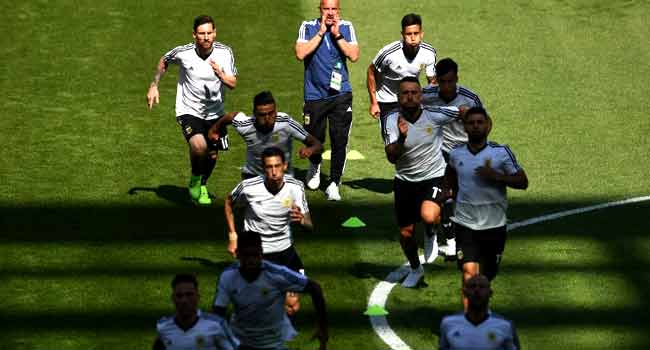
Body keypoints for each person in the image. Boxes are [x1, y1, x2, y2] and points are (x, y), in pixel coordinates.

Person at [146, 15, 237, 205]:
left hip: (215, 114)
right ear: (194, 35)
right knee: (199, 146)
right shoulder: (184, 53)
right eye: (201, 33)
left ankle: (202, 184)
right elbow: (164, 60)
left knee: (212, 154)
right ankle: (196, 179)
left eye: (209, 33)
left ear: (215, 33)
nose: (206, 37)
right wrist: (154, 85)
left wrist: (220, 74)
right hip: (189, 111)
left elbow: (233, 83)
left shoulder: (225, 53)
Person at [384, 77, 463, 288]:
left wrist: (476, 137)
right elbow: (391, 157)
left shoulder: (434, 114)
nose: (409, 96)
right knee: (405, 233)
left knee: (429, 215)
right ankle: (415, 269)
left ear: (421, 96)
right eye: (405, 93)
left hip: (433, 176)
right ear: (398, 97)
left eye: (414, 92)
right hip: (404, 181)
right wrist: (401, 138)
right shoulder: (391, 119)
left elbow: (464, 112)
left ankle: (431, 232)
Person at [444, 107, 528, 300]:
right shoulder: (456, 153)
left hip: (494, 226)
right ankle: (469, 323)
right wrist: (446, 192)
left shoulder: (501, 153)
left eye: (480, 122)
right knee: (469, 275)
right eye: (471, 123)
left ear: (488, 126)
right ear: (465, 127)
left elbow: (523, 182)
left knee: (485, 279)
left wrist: (497, 176)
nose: (475, 126)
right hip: (466, 224)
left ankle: (480, 312)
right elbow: (450, 175)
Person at [224, 147, 313, 315]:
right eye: (269, 167)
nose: (274, 172)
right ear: (263, 168)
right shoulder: (248, 187)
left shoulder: (295, 187)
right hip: (257, 254)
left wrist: (301, 220)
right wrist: (232, 235)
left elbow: (310, 225)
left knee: (292, 304)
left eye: (277, 166)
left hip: (285, 252)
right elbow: (229, 203)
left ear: (285, 166)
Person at [213, 231, 328, 350]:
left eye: (255, 255)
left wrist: (322, 328)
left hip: (271, 345)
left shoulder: (277, 274)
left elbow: (314, 288)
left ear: (261, 254)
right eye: (247, 255)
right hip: (240, 343)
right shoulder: (228, 277)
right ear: (238, 255)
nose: (251, 260)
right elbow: (218, 312)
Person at [295, 0, 360, 201]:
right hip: (314, 95)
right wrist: (322, 32)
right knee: (315, 137)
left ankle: (334, 183)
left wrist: (336, 34)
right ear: (320, 10)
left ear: (338, 10)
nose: (330, 13)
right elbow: (300, 53)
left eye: (334, 9)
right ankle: (315, 166)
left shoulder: (346, 27)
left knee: (339, 139)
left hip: (341, 95)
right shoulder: (308, 27)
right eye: (326, 9)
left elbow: (354, 55)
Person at [422, 58, 485, 258]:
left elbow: (484, 125)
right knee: (445, 194)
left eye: (451, 81)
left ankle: (466, 235)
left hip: (465, 152)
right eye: (443, 82)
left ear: (457, 78)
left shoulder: (470, 99)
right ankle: (450, 240)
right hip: (439, 151)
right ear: (437, 81)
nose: (447, 86)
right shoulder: (426, 95)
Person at [207, 91, 322, 179]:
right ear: (254, 113)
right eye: (262, 114)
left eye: (271, 113)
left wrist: (310, 150)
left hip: (281, 177)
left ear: (276, 111)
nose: (267, 118)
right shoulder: (245, 125)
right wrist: (215, 128)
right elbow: (232, 116)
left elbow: (318, 145)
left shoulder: (286, 123)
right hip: (253, 176)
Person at [367, 13, 437, 140]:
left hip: (411, 99)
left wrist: (433, 101)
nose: (413, 38)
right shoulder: (389, 53)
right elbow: (371, 72)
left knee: (415, 139)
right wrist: (374, 102)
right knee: (392, 143)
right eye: (409, 34)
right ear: (402, 35)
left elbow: (431, 80)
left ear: (422, 34)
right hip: (387, 102)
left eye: (416, 33)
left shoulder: (429, 53)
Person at [154, 273, 239, 350]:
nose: (184, 300)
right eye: (179, 296)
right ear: (173, 299)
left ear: (198, 297)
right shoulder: (163, 326)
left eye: (189, 294)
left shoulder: (217, 324)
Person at [439, 274, 520, 350]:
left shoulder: (505, 325)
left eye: (482, 287)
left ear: (490, 293)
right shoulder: (448, 323)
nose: (477, 290)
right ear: (464, 292)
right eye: (472, 286)